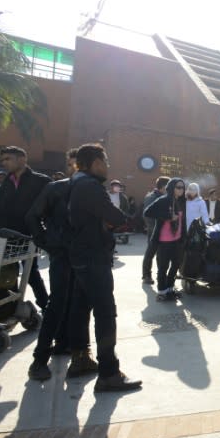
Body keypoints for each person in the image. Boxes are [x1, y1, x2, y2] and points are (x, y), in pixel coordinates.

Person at [68, 143, 141, 392]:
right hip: (93, 257)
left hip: (79, 255)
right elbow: (117, 217)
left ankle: (80, 359)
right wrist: (110, 221)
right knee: (105, 313)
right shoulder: (90, 186)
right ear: (94, 163)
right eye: (105, 161)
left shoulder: (73, 183)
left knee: (80, 308)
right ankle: (108, 373)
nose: (107, 167)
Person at [25, 149, 94, 381]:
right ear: (69, 166)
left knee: (81, 306)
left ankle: (75, 352)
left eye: (83, 165)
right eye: (75, 165)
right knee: (57, 305)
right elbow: (33, 216)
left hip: (84, 257)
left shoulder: (93, 190)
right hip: (62, 256)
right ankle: (39, 360)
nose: (79, 169)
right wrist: (46, 243)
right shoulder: (55, 188)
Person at [0, 146, 52, 309]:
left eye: (8, 159)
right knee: (7, 273)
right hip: (7, 237)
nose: (4, 163)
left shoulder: (42, 181)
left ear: (22, 159)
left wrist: (43, 233)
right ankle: (12, 305)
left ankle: (45, 305)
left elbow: (50, 210)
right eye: (3, 160)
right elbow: (1, 208)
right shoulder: (6, 182)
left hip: (30, 236)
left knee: (30, 273)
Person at [144, 178, 187, 301]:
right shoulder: (164, 200)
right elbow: (148, 212)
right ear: (172, 187)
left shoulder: (181, 202)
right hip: (164, 240)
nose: (181, 190)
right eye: (178, 187)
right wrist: (168, 216)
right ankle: (162, 291)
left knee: (175, 266)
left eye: (182, 187)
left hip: (177, 240)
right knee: (163, 267)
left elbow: (183, 221)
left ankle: (169, 289)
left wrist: (184, 237)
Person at [141, 176, 170, 284]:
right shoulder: (151, 197)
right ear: (163, 187)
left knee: (161, 254)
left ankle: (161, 275)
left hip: (163, 230)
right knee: (150, 253)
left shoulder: (164, 196)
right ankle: (146, 275)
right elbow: (147, 215)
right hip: (154, 230)